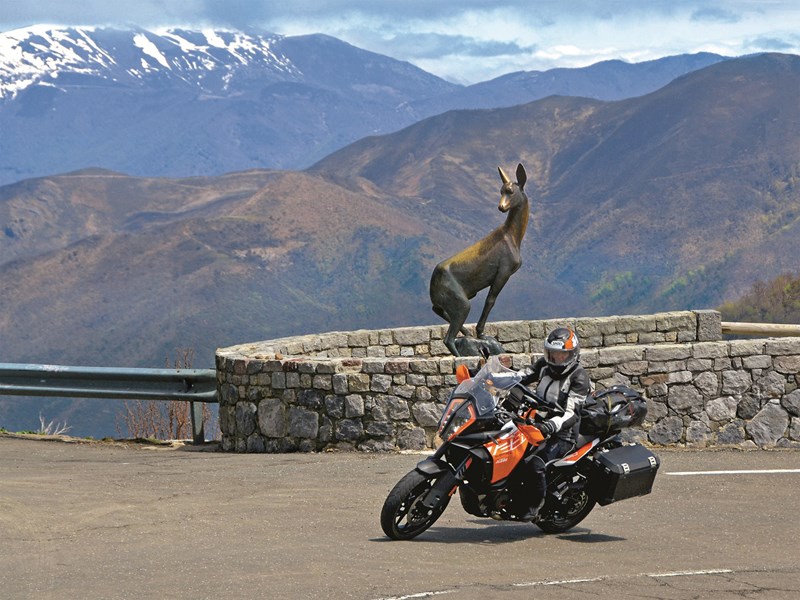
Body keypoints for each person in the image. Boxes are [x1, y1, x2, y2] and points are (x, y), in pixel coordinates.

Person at [516, 327, 593, 521]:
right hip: (536, 425)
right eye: (552, 353)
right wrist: (491, 377)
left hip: (563, 435)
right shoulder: (544, 365)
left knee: (535, 464)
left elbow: (571, 414)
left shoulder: (579, 378)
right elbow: (519, 376)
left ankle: (535, 505)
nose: (555, 358)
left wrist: (550, 425)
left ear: (572, 354)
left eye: (560, 354)